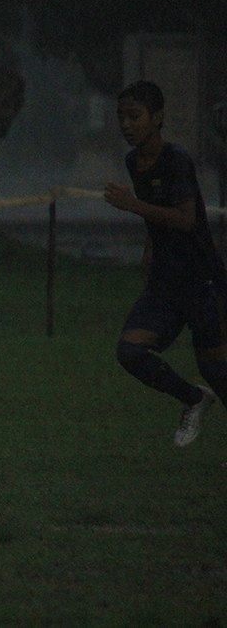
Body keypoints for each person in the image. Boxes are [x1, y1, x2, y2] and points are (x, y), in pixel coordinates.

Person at [104, 80, 227, 447]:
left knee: (216, 370)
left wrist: (131, 205)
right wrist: (149, 246)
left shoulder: (176, 160)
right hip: (165, 280)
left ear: (157, 117)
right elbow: (156, 211)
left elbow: (187, 219)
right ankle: (194, 398)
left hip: (201, 280)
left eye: (134, 116)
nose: (126, 125)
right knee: (130, 352)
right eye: (121, 118)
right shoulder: (133, 161)